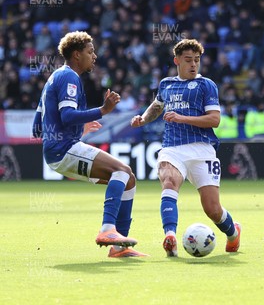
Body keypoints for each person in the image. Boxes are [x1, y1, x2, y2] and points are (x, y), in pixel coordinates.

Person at [31, 31, 145, 257]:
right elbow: (67, 115)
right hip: (63, 150)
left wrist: (77, 130)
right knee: (122, 170)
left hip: (58, 149)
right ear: (76, 55)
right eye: (90, 51)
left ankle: (118, 248)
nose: (95, 56)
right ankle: (107, 230)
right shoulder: (69, 77)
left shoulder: (54, 77)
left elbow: (38, 125)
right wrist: (103, 110)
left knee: (128, 180)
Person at [130, 39, 241, 257]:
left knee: (213, 210)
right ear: (177, 61)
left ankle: (233, 233)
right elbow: (157, 106)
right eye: (188, 60)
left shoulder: (206, 85)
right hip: (172, 148)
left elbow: (214, 120)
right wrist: (143, 119)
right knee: (169, 181)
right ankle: (170, 236)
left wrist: (182, 117)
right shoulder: (166, 84)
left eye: (197, 60)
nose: (193, 65)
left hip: (202, 149)